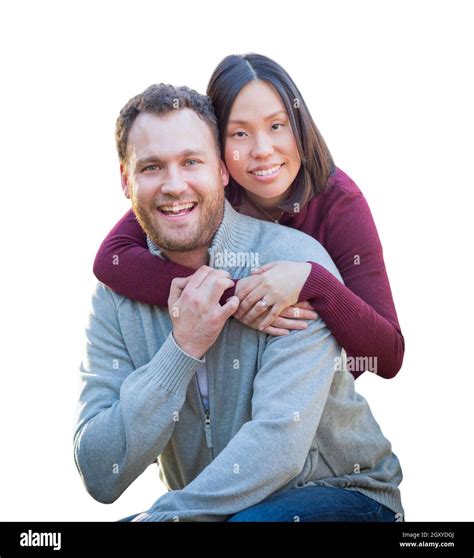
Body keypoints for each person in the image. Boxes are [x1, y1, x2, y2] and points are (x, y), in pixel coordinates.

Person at [74, 83, 404, 522]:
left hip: (343, 495)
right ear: (125, 180)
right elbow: (99, 472)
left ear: (222, 172)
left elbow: (278, 446)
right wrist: (183, 347)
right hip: (208, 512)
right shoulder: (117, 295)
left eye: (192, 162)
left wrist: (163, 518)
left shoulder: (292, 267)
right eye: (151, 167)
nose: (174, 185)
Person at [93, 53, 404, 380]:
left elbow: (387, 356)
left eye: (276, 126)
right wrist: (239, 298)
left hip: (308, 392)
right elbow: (111, 258)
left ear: (299, 125)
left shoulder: (340, 203)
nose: (262, 149)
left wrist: (312, 282)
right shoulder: (203, 189)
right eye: (240, 133)